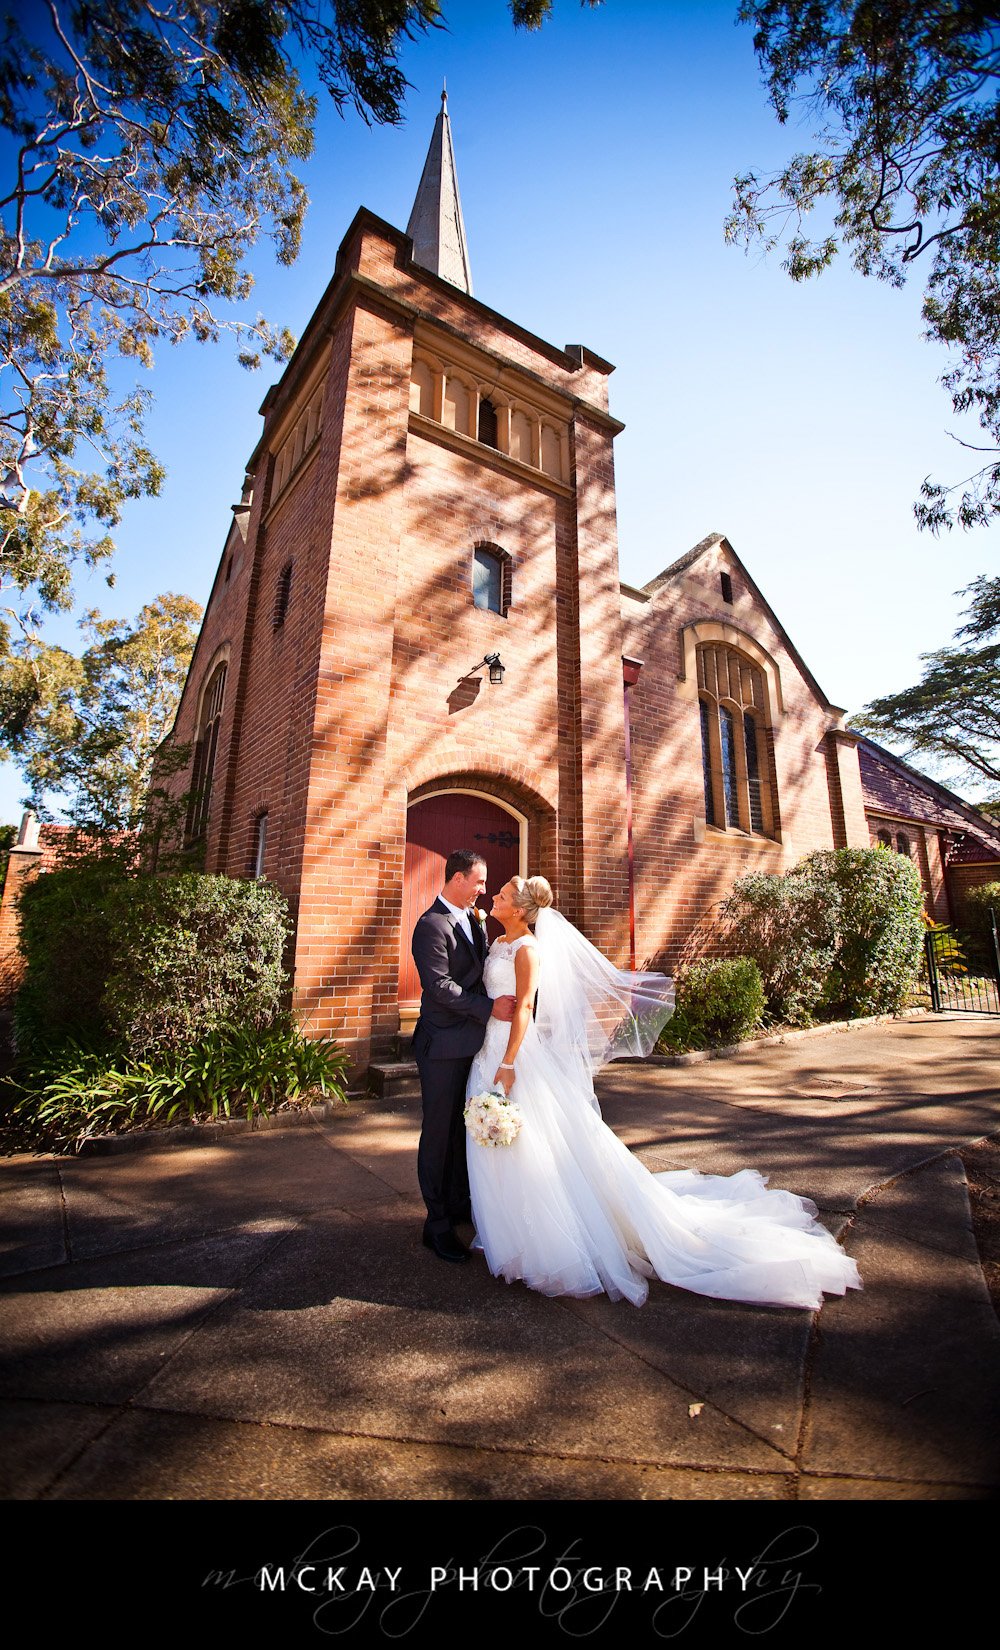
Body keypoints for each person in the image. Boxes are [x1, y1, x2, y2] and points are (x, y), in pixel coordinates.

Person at [466, 874, 863, 1310]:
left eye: (501, 896)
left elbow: (524, 1006)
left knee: (528, 1141)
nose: (493, 898)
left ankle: (545, 1240)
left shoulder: (527, 950)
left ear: (520, 910)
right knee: (509, 1142)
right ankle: (509, 1231)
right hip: (490, 1045)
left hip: (513, 1055)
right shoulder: (499, 942)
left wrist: (508, 1063)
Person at [410, 849, 516, 1264]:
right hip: (441, 1047)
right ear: (457, 878)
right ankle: (435, 1225)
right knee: (437, 1136)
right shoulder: (431, 926)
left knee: (460, 1132)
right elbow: (439, 987)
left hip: (472, 1046)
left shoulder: (472, 921)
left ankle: (457, 1206)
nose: (484, 890)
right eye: (479, 881)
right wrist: (489, 1008)